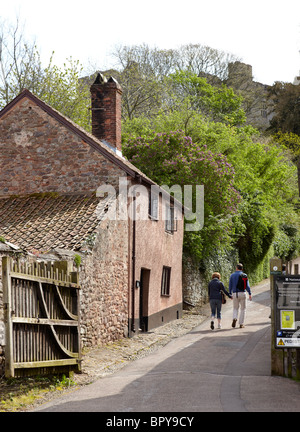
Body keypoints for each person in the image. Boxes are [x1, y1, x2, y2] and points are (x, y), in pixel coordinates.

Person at [229, 263, 252, 329]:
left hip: (235, 293)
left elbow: (230, 285)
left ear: (236, 268)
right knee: (243, 309)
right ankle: (241, 324)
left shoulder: (232, 275)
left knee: (235, 308)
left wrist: (230, 293)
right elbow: (247, 286)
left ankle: (234, 318)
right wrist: (249, 293)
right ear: (242, 268)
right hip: (242, 293)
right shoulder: (244, 275)